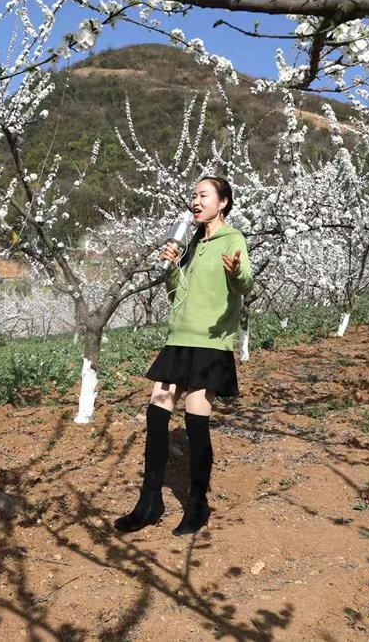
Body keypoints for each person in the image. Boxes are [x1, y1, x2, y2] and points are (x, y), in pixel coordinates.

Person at [114, 176, 254, 536]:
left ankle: (197, 504)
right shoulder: (192, 242)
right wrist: (174, 266)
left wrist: (236, 272)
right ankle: (150, 502)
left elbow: (245, 283)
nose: (196, 201)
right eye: (194, 195)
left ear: (223, 202)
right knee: (156, 414)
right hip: (179, 339)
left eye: (203, 195)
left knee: (195, 422)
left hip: (210, 343)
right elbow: (178, 292)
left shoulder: (233, 239)